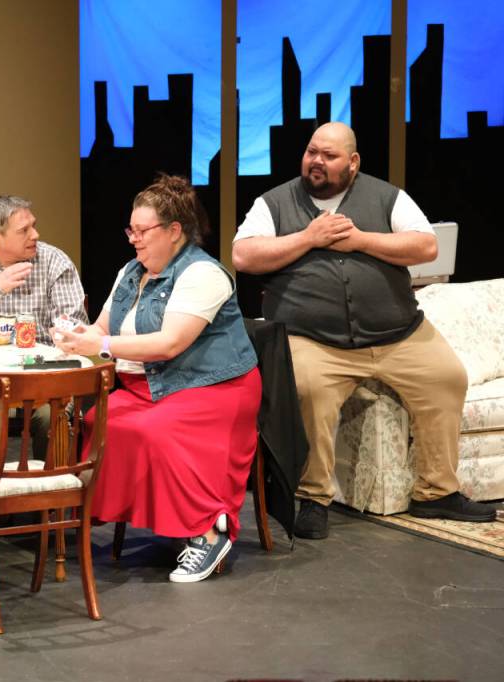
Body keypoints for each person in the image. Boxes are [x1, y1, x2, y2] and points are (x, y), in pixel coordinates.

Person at [232, 121, 497, 540]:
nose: (316, 162)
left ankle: (436, 492)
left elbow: (426, 246)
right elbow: (243, 255)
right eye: (312, 152)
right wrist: (308, 237)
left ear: (353, 162)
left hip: (398, 334)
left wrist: (360, 240)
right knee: (310, 391)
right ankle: (314, 498)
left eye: (329, 156)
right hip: (313, 340)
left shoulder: (387, 197)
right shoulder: (275, 203)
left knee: (447, 377)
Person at [54, 175, 260, 583]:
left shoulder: (203, 274)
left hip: (211, 387)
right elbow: (102, 328)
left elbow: (169, 343)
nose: (134, 239)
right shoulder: (131, 272)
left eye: (142, 230)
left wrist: (102, 344)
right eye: (130, 230)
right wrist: (77, 337)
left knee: (156, 431)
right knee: (98, 422)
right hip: (151, 386)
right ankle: (74, 516)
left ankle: (209, 531)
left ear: (174, 230)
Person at [0, 195, 87, 468]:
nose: (35, 234)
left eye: (34, 226)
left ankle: (48, 487)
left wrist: (64, 332)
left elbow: (74, 326)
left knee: (49, 415)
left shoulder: (55, 262)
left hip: (40, 374)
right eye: (24, 230)